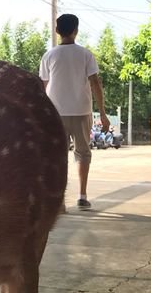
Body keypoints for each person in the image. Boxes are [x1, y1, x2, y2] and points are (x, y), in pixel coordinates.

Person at [39, 14, 109, 209]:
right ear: (76, 30)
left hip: (55, 114)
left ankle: (59, 201)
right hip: (81, 110)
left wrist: (41, 114)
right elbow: (95, 82)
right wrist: (102, 112)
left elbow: (43, 87)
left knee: (58, 155)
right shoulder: (85, 55)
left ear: (57, 31)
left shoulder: (49, 55)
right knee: (83, 154)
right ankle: (82, 195)